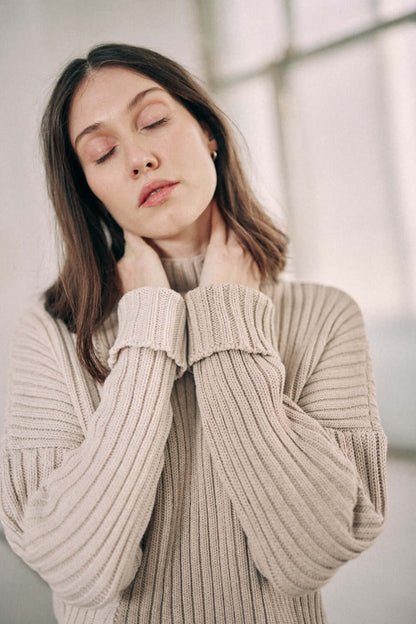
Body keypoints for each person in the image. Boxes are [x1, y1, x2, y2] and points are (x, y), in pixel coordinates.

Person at [0, 43, 387, 624]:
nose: (138, 159)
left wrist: (226, 315)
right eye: (103, 153)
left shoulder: (326, 317)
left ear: (208, 130)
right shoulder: (53, 332)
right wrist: (150, 324)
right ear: (89, 190)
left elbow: (310, 553)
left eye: (153, 121)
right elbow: (76, 568)